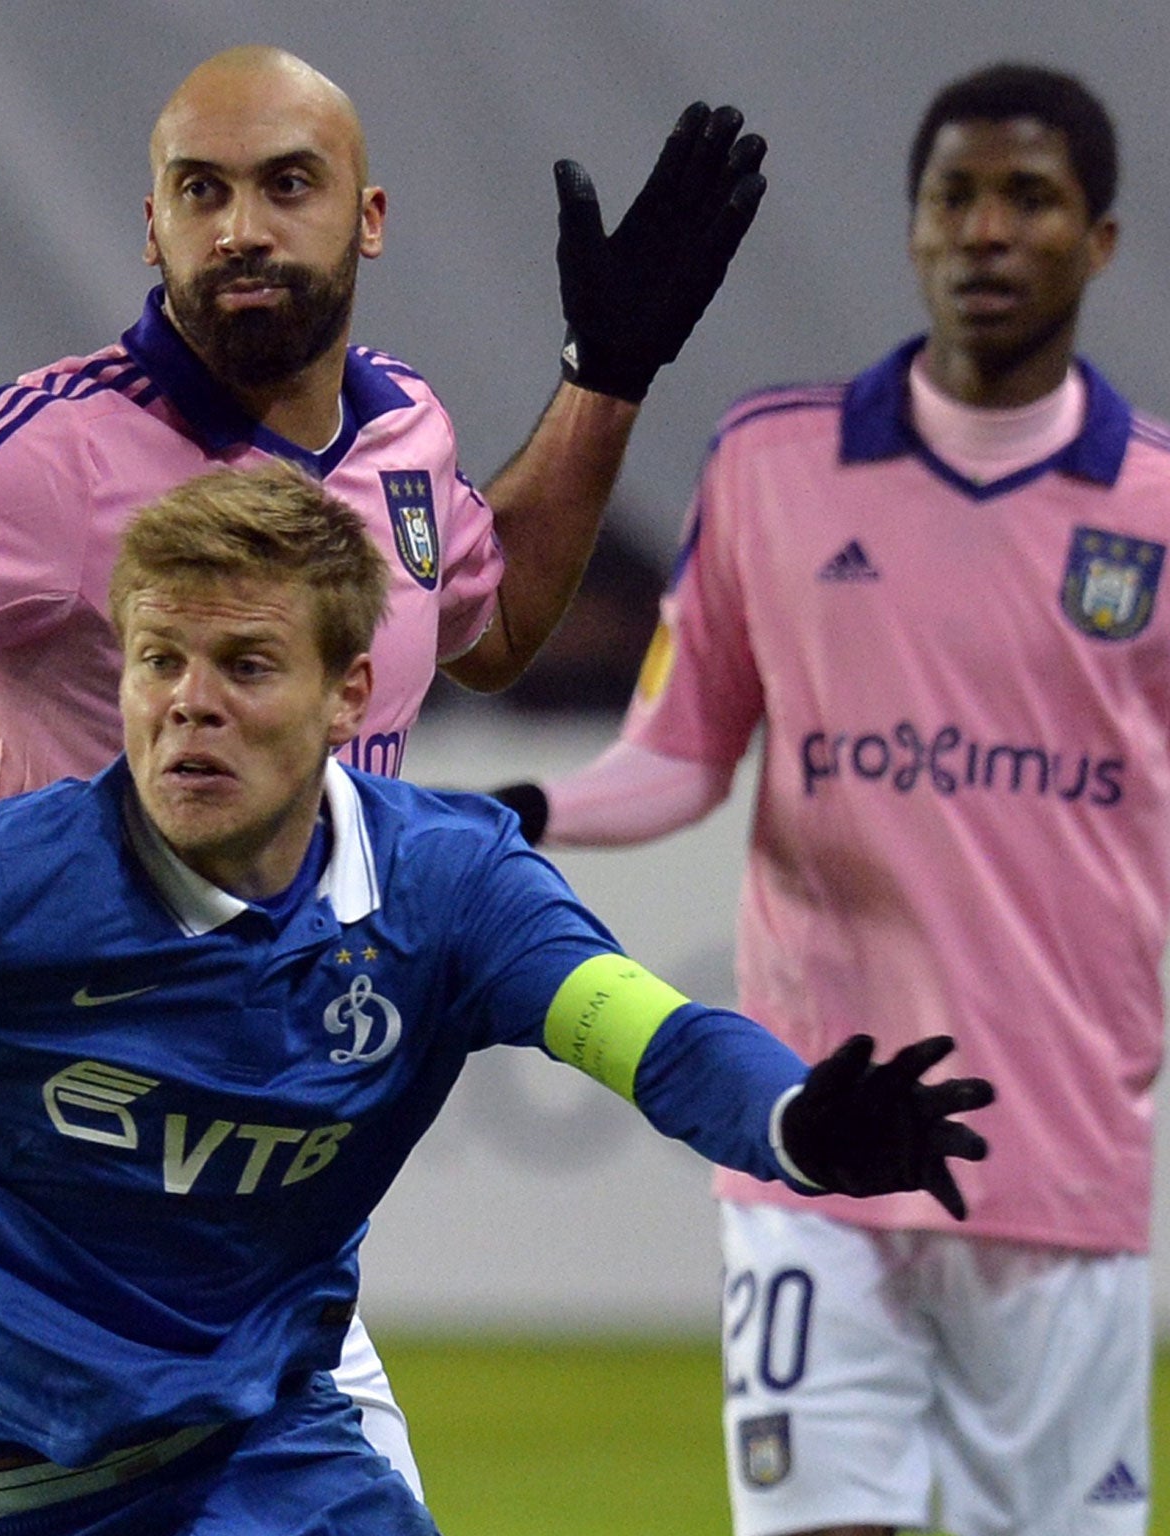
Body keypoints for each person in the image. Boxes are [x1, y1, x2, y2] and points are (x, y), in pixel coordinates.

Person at [0, 44, 770, 1533]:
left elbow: (488, 633)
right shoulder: (42, 455)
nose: (243, 224)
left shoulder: (406, 438)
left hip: (249, 1216)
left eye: (286, 185)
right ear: (153, 227)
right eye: (203, 190)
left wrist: (606, 380)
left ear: (367, 219)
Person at [0, 463, 991, 1536]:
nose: (189, 701)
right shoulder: (6, 889)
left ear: (347, 694)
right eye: (157, 661)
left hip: (263, 1464)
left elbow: (640, 1032)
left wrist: (788, 1116)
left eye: (245, 664)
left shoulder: (448, 889)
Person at [490, 62, 1166, 1536]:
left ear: (1099, 239)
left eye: (1030, 199)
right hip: (814, 1138)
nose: (987, 230)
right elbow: (684, 752)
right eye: (955, 197)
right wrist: (526, 809)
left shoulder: (1159, 513)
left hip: (1058, 1165)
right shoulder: (777, 462)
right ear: (916, 229)